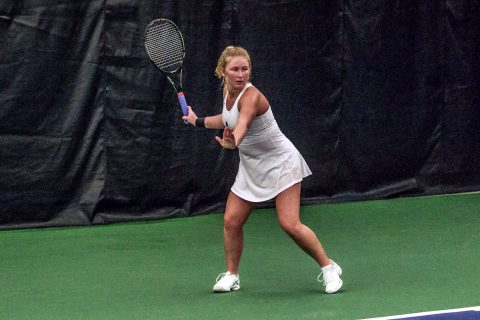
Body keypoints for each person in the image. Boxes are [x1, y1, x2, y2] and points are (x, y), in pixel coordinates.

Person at [182, 46, 343, 294]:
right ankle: (232, 275)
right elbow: (227, 119)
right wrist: (198, 121)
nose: (240, 74)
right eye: (235, 69)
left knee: (289, 223)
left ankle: (329, 266)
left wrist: (233, 141)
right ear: (222, 71)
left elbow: (242, 123)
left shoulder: (252, 96)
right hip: (252, 166)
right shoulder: (227, 92)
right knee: (231, 221)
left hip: (281, 163)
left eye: (245, 69)